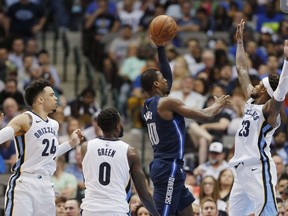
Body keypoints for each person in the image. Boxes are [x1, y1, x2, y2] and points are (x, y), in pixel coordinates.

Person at [140, 39, 231, 215]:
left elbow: (166, 75)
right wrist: (217, 104)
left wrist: (160, 48)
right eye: (162, 79)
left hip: (167, 165)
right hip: (169, 167)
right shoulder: (167, 103)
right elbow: (206, 115)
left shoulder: (147, 105)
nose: (167, 79)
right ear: (157, 84)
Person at [228, 19, 288, 216]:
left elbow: (279, 95)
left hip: (258, 169)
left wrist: (286, 62)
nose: (253, 85)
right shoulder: (251, 101)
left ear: (263, 90)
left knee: (268, 213)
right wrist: (239, 43)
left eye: (258, 84)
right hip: (240, 172)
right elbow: (241, 70)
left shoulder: (269, 111)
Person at [0, 79, 84, 216]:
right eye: (51, 95)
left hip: (46, 184)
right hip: (25, 183)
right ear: (40, 99)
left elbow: (50, 154)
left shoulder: (54, 124)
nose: (55, 97)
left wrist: (71, 144)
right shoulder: (25, 119)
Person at [80, 107, 159, 216]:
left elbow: (87, 180)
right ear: (117, 126)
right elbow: (144, 194)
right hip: (117, 210)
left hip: (90, 209)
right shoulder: (130, 152)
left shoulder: (85, 147)